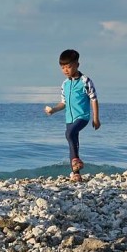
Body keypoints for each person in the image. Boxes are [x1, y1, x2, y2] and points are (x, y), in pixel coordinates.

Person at [44, 48, 100, 181]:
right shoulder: (65, 84)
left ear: (77, 65)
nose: (65, 70)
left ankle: (76, 164)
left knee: (69, 134)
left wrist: (96, 118)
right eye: (62, 67)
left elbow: (94, 99)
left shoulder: (85, 81)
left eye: (68, 66)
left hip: (82, 117)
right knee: (72, 144)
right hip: (69, 118)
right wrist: (53, 110)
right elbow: (63, 103)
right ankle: (76, 174)